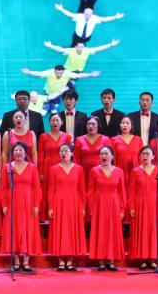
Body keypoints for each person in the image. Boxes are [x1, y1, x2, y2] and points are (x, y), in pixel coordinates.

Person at [0, 142, 42, 272]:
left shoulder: (32, 167)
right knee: (14, 229)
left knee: (27, 229)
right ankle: (17, 261)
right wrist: (4, 205)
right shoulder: (7, 167)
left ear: (25, 153)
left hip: (28, 202)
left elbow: (37, 188)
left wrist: (36, 204)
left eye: (20, 150)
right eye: (15, 150)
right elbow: (3, 188)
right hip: (12, 201)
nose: (17, 152)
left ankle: (26, 262)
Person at [46, 142, 87, 271]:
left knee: (72, 230)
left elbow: (81, 189)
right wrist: (51, 207)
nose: (64, 153)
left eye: (66, 151)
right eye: (61, 151)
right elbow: (51, 189)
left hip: (74, 203)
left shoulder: (79, 169)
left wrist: (82, 206)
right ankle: (60, 261)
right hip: (58, 202)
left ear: (72, 153)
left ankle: (70, 260)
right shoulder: (54, 169)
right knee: (60, 229)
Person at [127, 147, 158, 270]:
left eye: (147, 154)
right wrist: (132, 207)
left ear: (153, 156)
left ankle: (153, 258)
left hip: (156, 204)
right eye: (143, 154)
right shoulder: (135, 171)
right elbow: (131, 191)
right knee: (143, 230)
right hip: (141, 205)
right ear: (140, 156)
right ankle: (143, 259)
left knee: (154, 230)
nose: (145, 156)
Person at [88, 145, 127, 271]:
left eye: (106, 154)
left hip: (114, 204)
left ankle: (111, 260)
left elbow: (122, 192)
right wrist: (91, 208)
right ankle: (100, 260)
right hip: (99, 204)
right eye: (102, 154)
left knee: (112, 230)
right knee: (100, 230)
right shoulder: (94, 171)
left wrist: (122, 209)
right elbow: (90, 191)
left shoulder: (119, 171)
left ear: (112, 156)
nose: (104, 156)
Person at [20, 65, 100, 111]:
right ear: (54, 71)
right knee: (47, 100)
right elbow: (39, 74)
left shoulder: (67, 73)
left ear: (63, 71)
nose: (59, 74)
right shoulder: (50, 72)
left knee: (56, 101)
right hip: (48, 91)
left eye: (60, 73)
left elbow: (79, 75)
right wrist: (29, 72)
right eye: (57, 73)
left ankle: (53, 107)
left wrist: (91, 74)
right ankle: (47, 106)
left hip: (60, 92)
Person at [37, 113, 70, 216]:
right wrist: (40, 172)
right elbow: (41, 155)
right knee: (48, 189)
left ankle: (61, 212)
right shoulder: (43, 136)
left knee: (60, 189)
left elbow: (69, 154)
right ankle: (46, 215)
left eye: (57, 120)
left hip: (62, 167)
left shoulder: (66, 136)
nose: (55, 122)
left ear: (62, 122)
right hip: (47, 167)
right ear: (49, 122)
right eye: (52, 120)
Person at [53, 4, 125, 46]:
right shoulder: (79, 16)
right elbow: (70, 14)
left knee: (84, 44)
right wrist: (61, 9)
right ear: (83, 13)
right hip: (77, 35)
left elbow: (105, 19)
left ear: (92, 14)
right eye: (86, 14)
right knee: (73, 44)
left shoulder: (95, 18)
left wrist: (115, 17)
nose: (87, 16)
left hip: (87, 36)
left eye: (89, 14)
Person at [43, 38, 120, 75]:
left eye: (82, 47)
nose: (80, 48)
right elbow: (61, 50)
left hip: (79, 70)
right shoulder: (71, 51)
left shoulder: (87, 51)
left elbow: (99, 48)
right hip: (68, 70)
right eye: (79, 46)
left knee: (74, 80)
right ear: (75, 46)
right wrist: (51, 46)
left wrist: (111, 44)